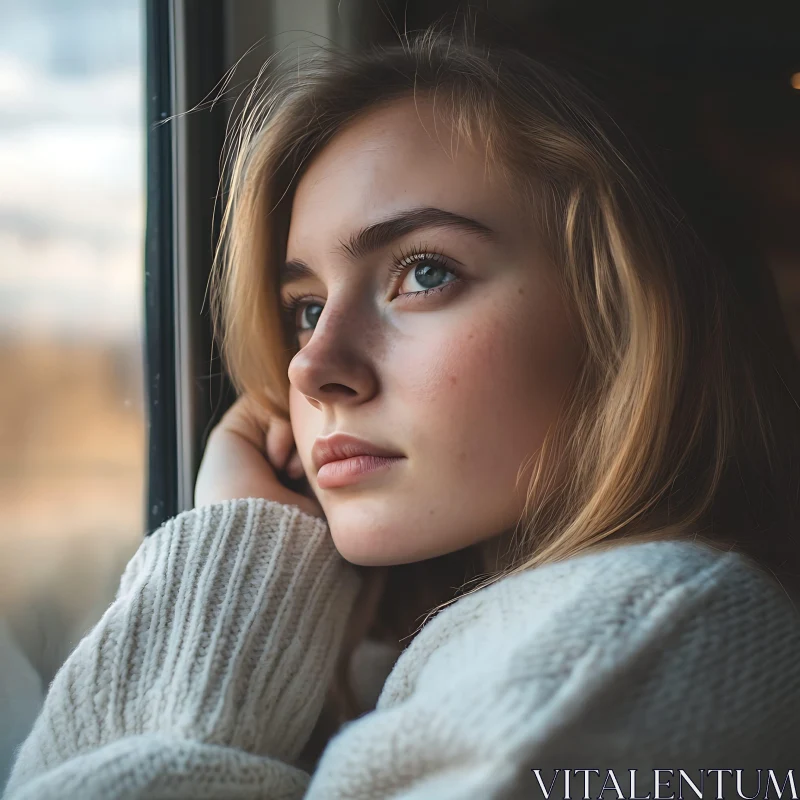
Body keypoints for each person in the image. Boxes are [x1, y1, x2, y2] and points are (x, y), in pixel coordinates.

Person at [4, 24, 800, 800]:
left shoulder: (653, 630)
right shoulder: (424, 656)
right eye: (307, 308)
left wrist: (232, 573)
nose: (312, 369)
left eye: (423, 273)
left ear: (627, 320)